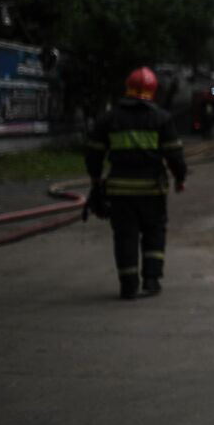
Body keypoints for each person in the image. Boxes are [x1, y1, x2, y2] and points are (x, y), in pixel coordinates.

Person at [85, 67, 187, 299]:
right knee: (154, 232)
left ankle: (128, 284)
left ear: (127, 88)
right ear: (153, 91)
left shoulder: (108, 119)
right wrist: (180, 178)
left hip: (120, 192)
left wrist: (95, 180)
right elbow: (174, 154)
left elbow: (94, 154)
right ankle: (151, 279)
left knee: (125, 235)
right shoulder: (162, 118)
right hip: (152, 190)